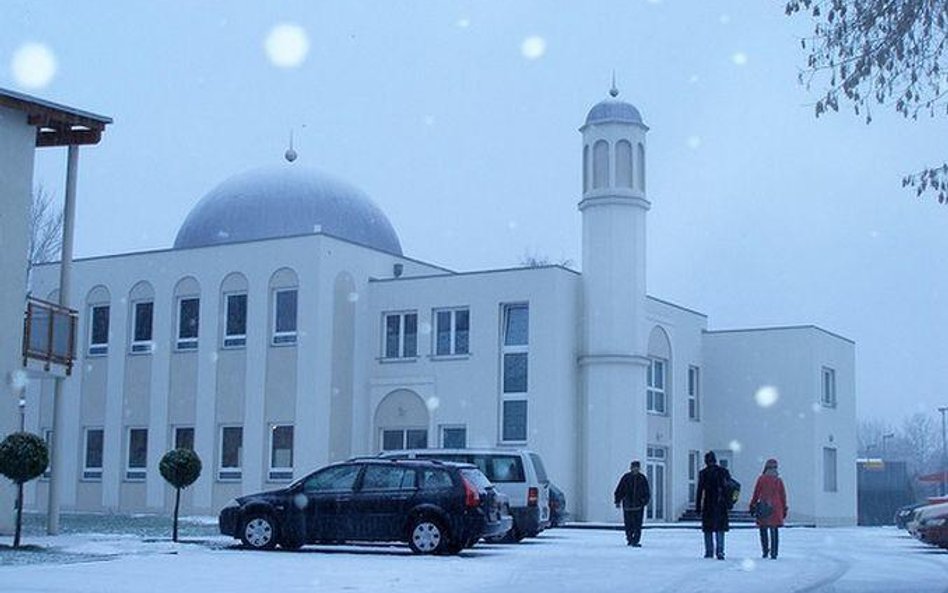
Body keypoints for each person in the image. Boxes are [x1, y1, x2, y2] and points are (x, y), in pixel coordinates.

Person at [750, 458, 788, 559]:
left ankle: (765, 550)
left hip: (764, 506)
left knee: (763, 529)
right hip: (776, 508)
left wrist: (752, 504)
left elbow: (756, 493)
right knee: (774, 530)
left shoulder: (761, 479)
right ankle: (774, 552)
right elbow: (783, 496)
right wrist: (784, 508)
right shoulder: (778, 480)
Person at [695, 450, 730, 559]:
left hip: (708, 503)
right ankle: (720, 551)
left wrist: (698, 507)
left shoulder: (704, 473)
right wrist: (729, 502)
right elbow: (729, 488)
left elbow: (700, 491)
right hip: (721, 503)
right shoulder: (723, 472)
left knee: (708, 529)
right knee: (720, 529)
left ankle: (709, 551)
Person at [613, 460, 650, 546]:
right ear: (631, 468)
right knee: (628, 524)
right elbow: (619, 490)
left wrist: (644, 501)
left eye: (637, 467)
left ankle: (636, 540)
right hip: (627, 505)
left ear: (639, 468)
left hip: (638, 506)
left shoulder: (642, 478)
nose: (635, 469)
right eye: (633, 467)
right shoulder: (626, 478)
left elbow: (646, 491)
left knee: (637, 524)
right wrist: (617, 501)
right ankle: (629, 539)